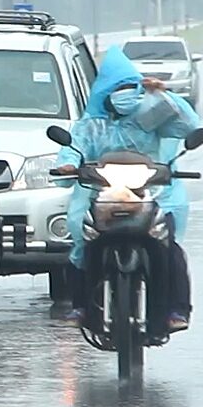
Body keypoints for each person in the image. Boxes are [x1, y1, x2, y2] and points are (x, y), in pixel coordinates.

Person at [53, 46, 198, 333]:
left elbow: (190, 126)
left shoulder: (150, 117)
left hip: (149, 193)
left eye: (133, 86)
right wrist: (69, 165)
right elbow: (74, 149)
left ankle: (175, 310)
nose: (128, 92)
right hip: (101, 195)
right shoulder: (92, 125)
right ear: (105, 92)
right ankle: (82, 305)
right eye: (120, 87)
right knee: (83, 240)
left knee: (168, 248)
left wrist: (164, 94)